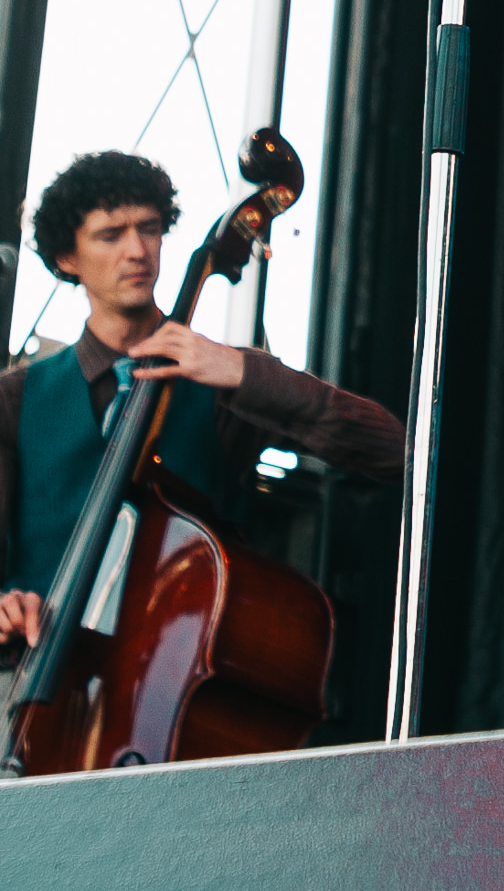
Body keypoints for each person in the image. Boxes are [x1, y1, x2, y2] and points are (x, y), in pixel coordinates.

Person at [0, 149, 405, 649]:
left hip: (174, 681)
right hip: (34, 685)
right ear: (67, 257)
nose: (137, 251)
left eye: (148, 229)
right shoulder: (13, 400)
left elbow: (393, 452)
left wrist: (242, 372)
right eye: (111, 235)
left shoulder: (220, 379)